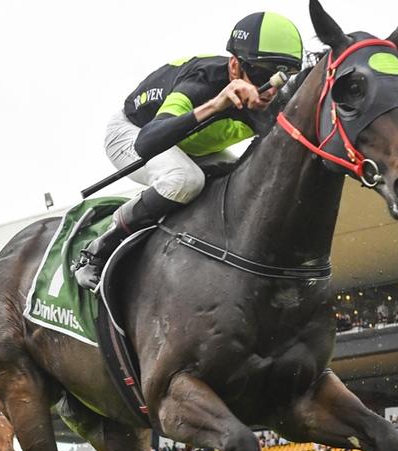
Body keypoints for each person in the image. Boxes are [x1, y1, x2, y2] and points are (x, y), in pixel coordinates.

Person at [74, 12, 303, 289]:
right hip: (133, 132)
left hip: (191, 146)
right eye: (260, 73)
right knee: (184, 179)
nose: (270, 89)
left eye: (283, 75)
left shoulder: (275, 99)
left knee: (239, 182)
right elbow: (147, 143)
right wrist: (215, 105)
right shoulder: (203, 79)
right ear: (234, 66)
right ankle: (97, 249)